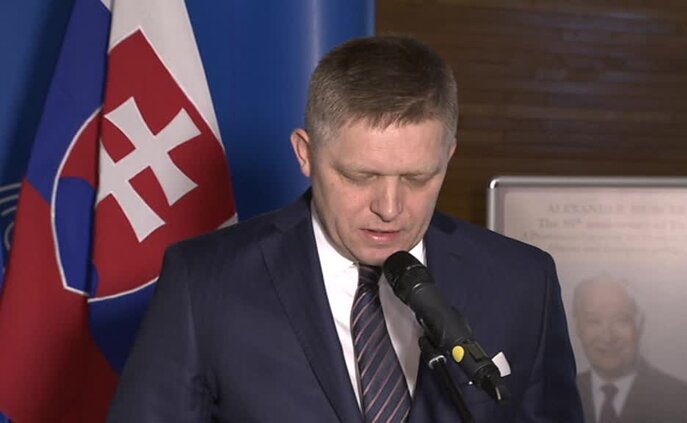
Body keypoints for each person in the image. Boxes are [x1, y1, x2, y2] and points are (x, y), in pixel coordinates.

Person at [108, 35, 583, 422]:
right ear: (305, 154)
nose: (390, 208)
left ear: (448, 157)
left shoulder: (523, 281)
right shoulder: (205, 282)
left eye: (418, 177)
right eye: (360, 176)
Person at [573, 276, 687, 423]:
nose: (608, 337)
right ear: (578, 327)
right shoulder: (556, 394)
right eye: (594, 321)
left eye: (621, 320)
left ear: (640, 324)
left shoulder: (684, 400)